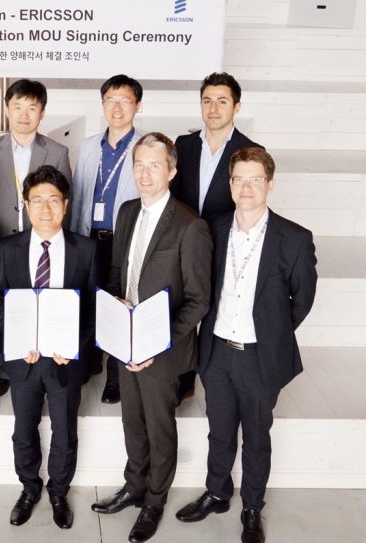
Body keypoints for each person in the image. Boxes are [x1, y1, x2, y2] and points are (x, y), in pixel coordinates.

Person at [175, 148, 317, 543]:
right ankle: (217, 493)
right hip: (217, 352)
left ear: (270, 184)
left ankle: (252, 507)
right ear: (230, 183)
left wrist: (270, 335)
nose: (247, 187)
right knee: (219, 431)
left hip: (259, 356)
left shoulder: (295, 238)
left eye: (256, 179)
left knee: (256, 438)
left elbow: (302, 301)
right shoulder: (212, 228)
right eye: (240, 178)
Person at [91, 133, 212, 543]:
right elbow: (117, 273)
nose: (145, 173)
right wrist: (114, 308)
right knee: (132, 422)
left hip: (162, 350)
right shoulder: (127, 212)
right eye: (139, 164)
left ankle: (154, 503)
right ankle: (134, 486)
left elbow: (198, 300)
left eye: (154, 166)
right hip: (124, 342)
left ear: (171, 171)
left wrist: (155, 341)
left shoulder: (190, 225)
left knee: (160, 429)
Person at [0, 165, 97, 530]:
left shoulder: (86, 249)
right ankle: (29, 488)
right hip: (24, 360)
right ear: (26, 205)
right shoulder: (9, 248)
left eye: (53, 200)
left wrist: (74, 344)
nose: (45, 208)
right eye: (37, 200)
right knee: (24, 429)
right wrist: (19, 339)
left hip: (65, 361)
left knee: (65, 431)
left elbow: (94, 307)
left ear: (65, 205)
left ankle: (59, 493)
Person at [0, 79, 72, 398]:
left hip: (41, 244)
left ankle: (46, 360)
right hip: (3, 244)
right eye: (17, 107)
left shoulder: (57, 152)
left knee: (39, 302)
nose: (24, 114)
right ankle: (5, 367)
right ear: (7, 110)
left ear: (42, 112)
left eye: (32, 107)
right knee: (6, 305)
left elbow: (65, 204)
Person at [170, 71, 264, 403]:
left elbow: (251, 205)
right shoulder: (183, 145)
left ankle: (215, 381)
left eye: (222, 101)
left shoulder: (250, 151)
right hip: (183, 246)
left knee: (213, 315)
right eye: (207, 100)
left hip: (226, 248)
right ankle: (183, 380)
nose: (213, 108)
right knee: (183, 309)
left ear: (236, 107)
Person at [70, 74, 143, 404]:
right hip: (88, 237)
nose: (117, 107)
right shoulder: (89, 146)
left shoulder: (144, 147)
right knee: (88, 299)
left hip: (124, 240)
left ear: (137, 106)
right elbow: (78, 195)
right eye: (111, 100)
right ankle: (90, 362)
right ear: (102, 105)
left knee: (120, 303)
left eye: (125, 101)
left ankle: (116, 377)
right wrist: (73, 237)